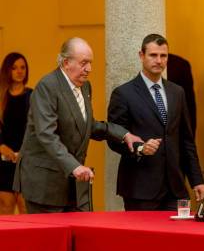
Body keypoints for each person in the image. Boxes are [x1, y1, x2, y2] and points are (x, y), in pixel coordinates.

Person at [13, 38, 142, 213]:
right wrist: (74, 166)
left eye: (90, 63)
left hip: (72, 184)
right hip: (44, 185)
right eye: (84, 63)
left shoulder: (85, 87)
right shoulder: (47, 86)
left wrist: (124, 134)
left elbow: (88, 125)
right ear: (66, 62)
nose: (89, 69)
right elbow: (46, 134)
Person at [107, 34, 204, 211]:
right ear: (141, 55)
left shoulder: (177, 92)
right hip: (140, 189)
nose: (159, 60)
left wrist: (197, 180)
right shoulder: (123, 94)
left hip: (175, 189)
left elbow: (186, 141)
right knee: (143, 240)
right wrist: (140, 147)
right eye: (153, 55)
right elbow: (113, 138)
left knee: (177, 238)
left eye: (163, 56)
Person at [0, 53, 31, 214]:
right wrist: (1, 147)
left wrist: (26, 151)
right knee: (5, 206)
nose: (19, 71)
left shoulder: (32, 96)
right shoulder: (1, 98)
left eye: (22, 67)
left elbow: (38, 129)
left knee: (25, 205)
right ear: (7, 71)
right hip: (4, 161)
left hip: (26, 161)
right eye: (14, 68)